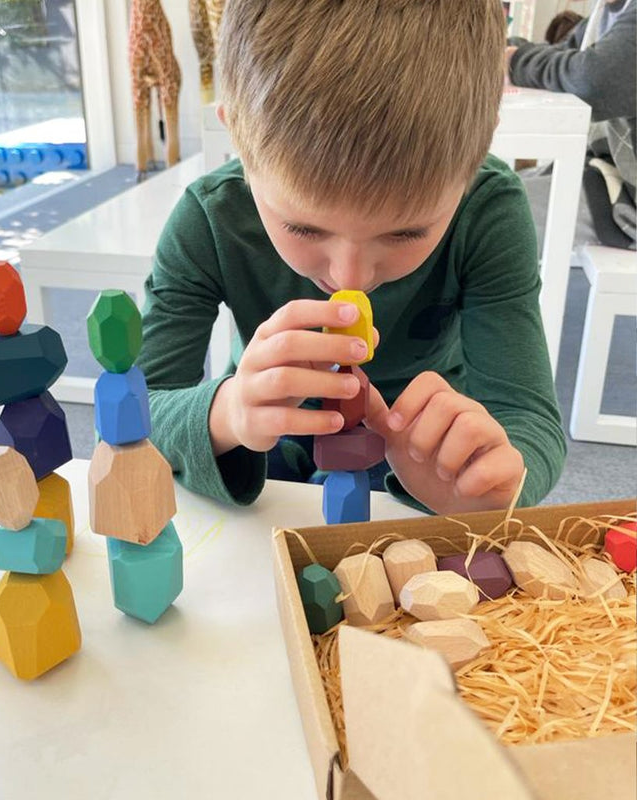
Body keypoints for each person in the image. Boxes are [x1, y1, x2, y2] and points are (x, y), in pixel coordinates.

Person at [136, 0, 566, 516]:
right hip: (263, 452)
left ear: (479, 151)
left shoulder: (488, 210)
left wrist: (492, 478)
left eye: (407, 232)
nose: (351, 278)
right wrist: (226, 413)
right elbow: (137, 408)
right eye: (302, 227)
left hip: (428, 460)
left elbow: (529, 418)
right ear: (238, 141)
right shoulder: (209, 218)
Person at [506, 0, 636, 249]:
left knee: (480, 215)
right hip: (609, 177)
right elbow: (563, 51)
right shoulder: (608, 13)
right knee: (490, 192)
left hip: (626, 198)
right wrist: (509, 50)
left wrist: (516, 59)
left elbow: (594, 80)